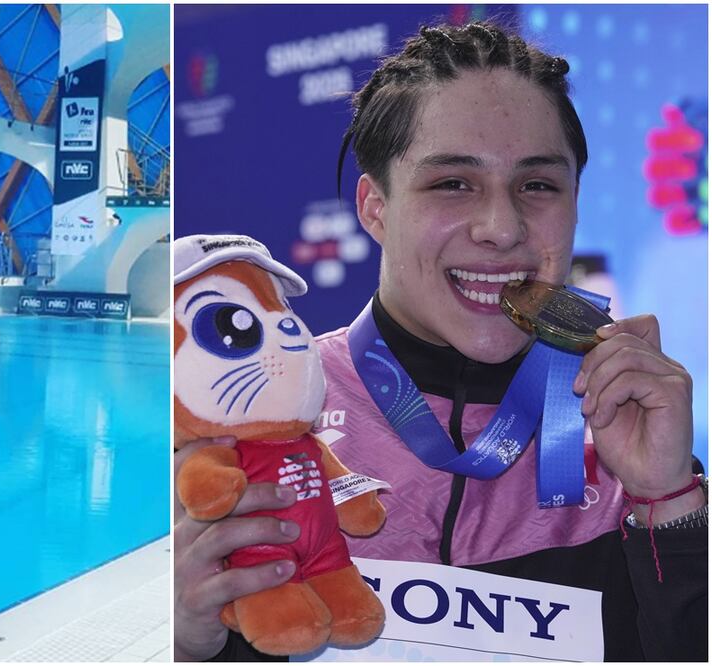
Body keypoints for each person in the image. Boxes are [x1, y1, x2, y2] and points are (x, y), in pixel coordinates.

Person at [174, 21, 707, 662]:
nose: (501, 227)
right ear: (375, 208)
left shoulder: (620, 422)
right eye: (452, 183)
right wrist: (185, 643)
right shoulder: (255, 417)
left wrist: (671, 505)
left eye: (538, 186)